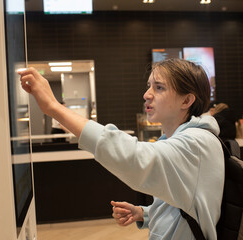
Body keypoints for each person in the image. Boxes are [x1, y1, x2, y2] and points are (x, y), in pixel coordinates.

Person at [18, 58, 224, 240]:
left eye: (159, 87)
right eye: (149, 85)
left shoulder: (196, 144)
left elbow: (134, 157)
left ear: (186, 100)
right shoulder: (181, 140)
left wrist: (54, 108)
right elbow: (183, 204)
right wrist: (144, 213)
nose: (146, 94)